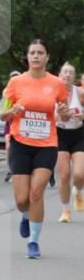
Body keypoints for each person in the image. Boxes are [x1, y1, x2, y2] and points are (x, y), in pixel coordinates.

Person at [0, 40, 69, 258]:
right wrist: (12, 111)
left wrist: (64, 111)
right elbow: (3, 114)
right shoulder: (16, 83)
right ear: (27, 57)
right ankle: (25, 215)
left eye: (40, 53)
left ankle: (33, 242)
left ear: (47, 57)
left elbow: (64, 115)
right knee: (22, 200)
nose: (36, 56)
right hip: (20, 144)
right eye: (32, 53)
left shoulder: (57, 84)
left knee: (36, 192)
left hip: (46, 145)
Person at [54, 62, 84, 223]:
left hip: (79, 135)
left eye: (70, 73)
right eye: (64, 72)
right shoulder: (52, 93)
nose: (67, 75)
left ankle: (78, 191)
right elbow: (48, 117)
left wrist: (82, 116)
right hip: (60, 135)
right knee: (64, 175)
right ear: (59, 75)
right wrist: (60, 115)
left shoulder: (80, 93)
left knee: (79, 174)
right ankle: (65, 210)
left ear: (74, 77)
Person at [2, 71, 21, 181]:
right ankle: (10, 169)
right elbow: (3, 110)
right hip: (9, 123)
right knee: (8, 146)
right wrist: (11, 111)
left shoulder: (24, 90)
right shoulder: (7, 91)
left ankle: (17, 168)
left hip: (20, 123)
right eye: (12, 79)